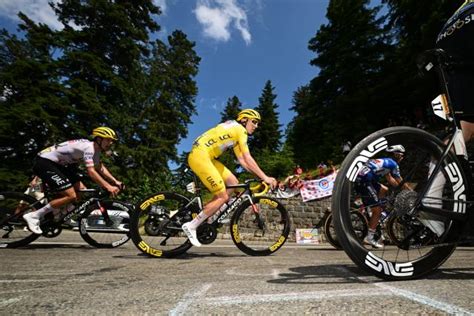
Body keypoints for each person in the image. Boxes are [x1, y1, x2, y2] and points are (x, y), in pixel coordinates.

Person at [182, 109, 278, 246]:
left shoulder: (235, 131)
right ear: (244, 120)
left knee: (233, 182)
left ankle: (213, 211)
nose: (256, 126)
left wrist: (260, 177)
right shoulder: (240, 130)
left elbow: (243, 162)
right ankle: (191, 226)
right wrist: (266, 177)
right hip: (201, 156)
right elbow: (248, 157)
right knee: (222, 196)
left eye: (258, 123)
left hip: (205, 156)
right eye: (254, 122)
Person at [22, 127, 123, 234]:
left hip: (56, 165)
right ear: (99, 139)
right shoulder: (89, 147)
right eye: (108, 139)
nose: (111, 143)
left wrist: (115, 181)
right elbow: (91, 172)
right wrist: (108, 186)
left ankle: (63, 215)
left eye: (111, 140)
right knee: (71, 195)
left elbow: (99, 168)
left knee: (82, 190)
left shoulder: (96, 150)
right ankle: (34, 216)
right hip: (45, 162)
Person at [355, 145, 411, 248]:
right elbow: (400, 180)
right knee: (378, 210)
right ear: (397, 154)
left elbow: (390, 179)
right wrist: (410, 192)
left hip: (366, 180)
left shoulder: (386, 161)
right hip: (365, 182)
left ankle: (374, 211)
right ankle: (369, 237)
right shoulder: (393, 164)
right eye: (402, 155)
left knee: (384, 189)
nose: (402, 158)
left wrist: (401, 188)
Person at [436, 0, 474, 143]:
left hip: (448, 43)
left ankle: (440, 162)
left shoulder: (461, 6)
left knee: (468, 126)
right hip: (466, 32)